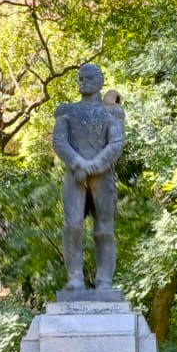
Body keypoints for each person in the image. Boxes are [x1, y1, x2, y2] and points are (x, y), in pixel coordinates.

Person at [52, 63, 126, 291]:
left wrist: (94, 165)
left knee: (104, 229)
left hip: (101, 176)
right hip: (75, 174)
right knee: (73, 225)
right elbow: (59, 141)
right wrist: (77, 163)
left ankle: (104, 280)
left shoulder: (110, 113)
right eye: (80, 79)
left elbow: (116, 143)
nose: (82, 82)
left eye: (88, 78)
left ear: (100, 81)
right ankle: (75, 278)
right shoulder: (68, 111)